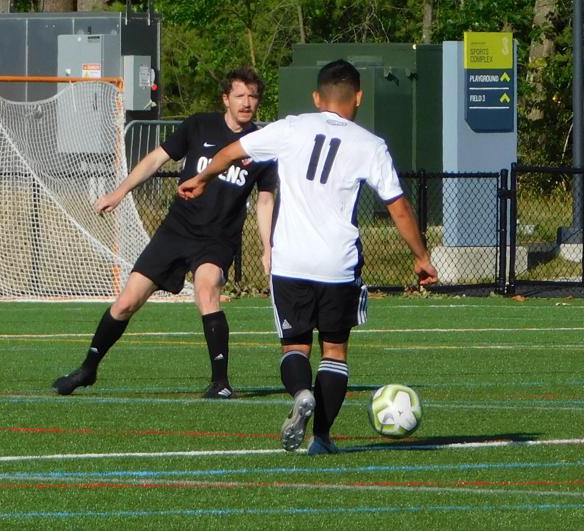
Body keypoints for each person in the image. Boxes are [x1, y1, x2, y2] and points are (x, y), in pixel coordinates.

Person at [178, 59, 437, 453]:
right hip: (338, 264)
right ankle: (322, 438)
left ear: (317, 98)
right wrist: (420, 256)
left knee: (294, 347)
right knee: (335, 352)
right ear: (358, 98)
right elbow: (397, 206)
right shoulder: (370, 145)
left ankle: (301, 392)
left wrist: (202, 177)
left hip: (290, 262)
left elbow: (231, 151)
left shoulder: (291, 127)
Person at [53, 67, 276, 399]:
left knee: (206, 291)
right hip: (177, 230)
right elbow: (156, 159)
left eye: (253, 96)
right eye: (240, 95)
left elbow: (266, 200)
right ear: (225, 99)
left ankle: (221, 383)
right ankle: (87, 369)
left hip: (217, 239)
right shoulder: (199, 125)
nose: (247, 102)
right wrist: (119, 192)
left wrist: (267, 247)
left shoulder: (262, 146)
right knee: (126, 302)